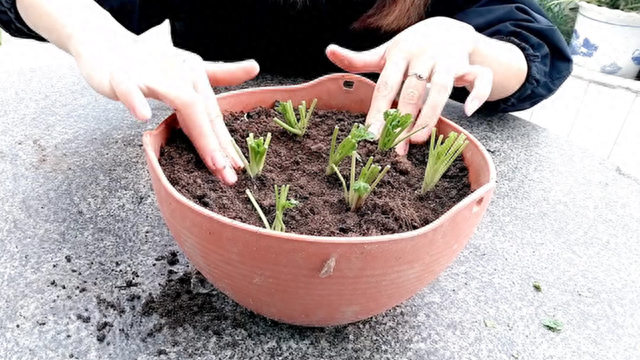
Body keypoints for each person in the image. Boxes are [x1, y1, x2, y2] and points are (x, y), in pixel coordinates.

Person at [1, 0, 572, 185]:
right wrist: (90, 33)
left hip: (377, 133)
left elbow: (529, 44)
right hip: (210, 113)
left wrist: (466, 43)